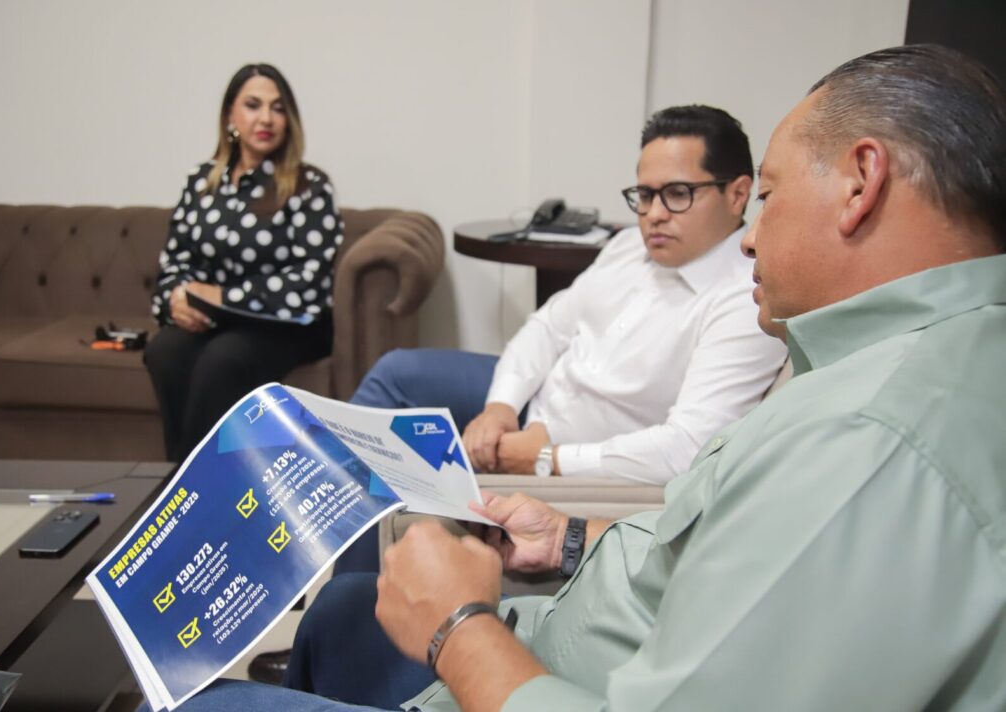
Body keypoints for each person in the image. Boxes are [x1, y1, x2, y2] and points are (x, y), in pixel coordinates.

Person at [171, 44, 1006, 711]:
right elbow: (553, 339)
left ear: (859, 183)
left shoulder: (863, 432)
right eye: (642, 195)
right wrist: (566, 533)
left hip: (536, 630)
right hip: (561, 581)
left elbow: (682, 455)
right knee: (348, 602)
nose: (753, 237)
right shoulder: (874, 365)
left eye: (772, 199)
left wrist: (459, 627)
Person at [328, 105, 787, 578]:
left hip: (581, 453)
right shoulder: (630, 246)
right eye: (644, 195)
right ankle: (324, 568)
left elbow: (687, 448)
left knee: (400, 427)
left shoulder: (745, 298)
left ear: (738, 194)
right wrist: (500, 407)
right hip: (538, 408)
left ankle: (348, 606)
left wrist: (549, 459)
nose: (653, 214)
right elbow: (548, 327)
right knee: (395, 374)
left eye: (676, 194)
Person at [144, 63, 341, 463]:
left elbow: (310, 282)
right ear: (230, 115)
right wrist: (176, 301)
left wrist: (223, 296)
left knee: (224, 358)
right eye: (253, 105)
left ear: (290, 120)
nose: (266, 118)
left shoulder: (309, 186)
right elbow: (174, 262)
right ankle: (179, 473)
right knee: (164, 349)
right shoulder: (201, 182)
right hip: (217, 321)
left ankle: (192, 488)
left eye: (278, 108)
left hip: (288, 323)